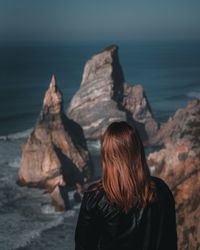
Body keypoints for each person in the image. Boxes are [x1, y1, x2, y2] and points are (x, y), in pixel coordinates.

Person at [75, 121, 177, 250]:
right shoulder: (161, 190)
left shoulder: (95, 198)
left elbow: (83, 246)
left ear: (107, 155)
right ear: (138, 151)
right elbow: (169, 241)